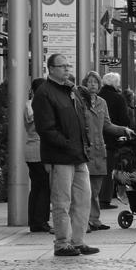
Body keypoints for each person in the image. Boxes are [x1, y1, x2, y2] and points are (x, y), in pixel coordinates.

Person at [32, 54, 102, 256]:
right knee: (62, 202)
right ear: (51, 69)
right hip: (60, 156)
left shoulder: (71, 90)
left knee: (83, 199)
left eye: (67, 65)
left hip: (78, 155)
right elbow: (45, 128)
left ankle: (78, 241)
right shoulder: (44, 93)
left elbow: (80, 119)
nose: (66, 69)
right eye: (62, 66)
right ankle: (62, 243)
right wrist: (68, 144)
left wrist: (82, 144)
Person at [80, 71, 136, 232]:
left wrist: (124, 130)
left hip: (99, 149)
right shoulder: (79, 102)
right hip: (86, 148)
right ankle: (85, 221)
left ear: (99, 85)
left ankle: (95, 219)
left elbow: (107, 125)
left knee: (96, 187)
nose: (92, 85)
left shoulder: (102, 102)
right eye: (89, 82)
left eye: (95, 82)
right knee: (85, 188)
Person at [97, 73, 130, 211]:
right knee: (109, 169)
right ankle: (104, 199)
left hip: (97, 138)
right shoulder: (118, 98)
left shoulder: (98, 97)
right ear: (114, 83)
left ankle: (95, 197)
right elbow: (124, 119)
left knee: (96, 169)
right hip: (112, 138)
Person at [25, 78, 51, 233]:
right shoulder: (40, 105)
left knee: (35, 187)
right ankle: (41, 221)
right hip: (40, 150)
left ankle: (34, 220)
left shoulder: (27, 105)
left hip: (29, 149)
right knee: (44, 187)